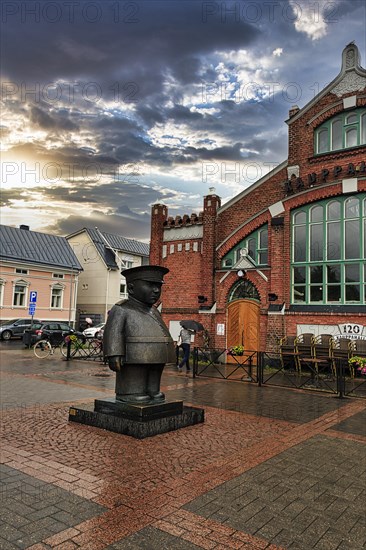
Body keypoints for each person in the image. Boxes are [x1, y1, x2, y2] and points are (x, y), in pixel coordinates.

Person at [103, 265, 176, 403]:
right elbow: (113, 332)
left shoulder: (154, 311)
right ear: (131, 288)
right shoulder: (121, 309)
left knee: (154, 373)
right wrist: (114, 353)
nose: (156, 290)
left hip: (156, 355)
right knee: (136, 374)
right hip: (134, 356)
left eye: (158, 286)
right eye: (150, 285)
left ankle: (153, 391)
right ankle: (130, 392)